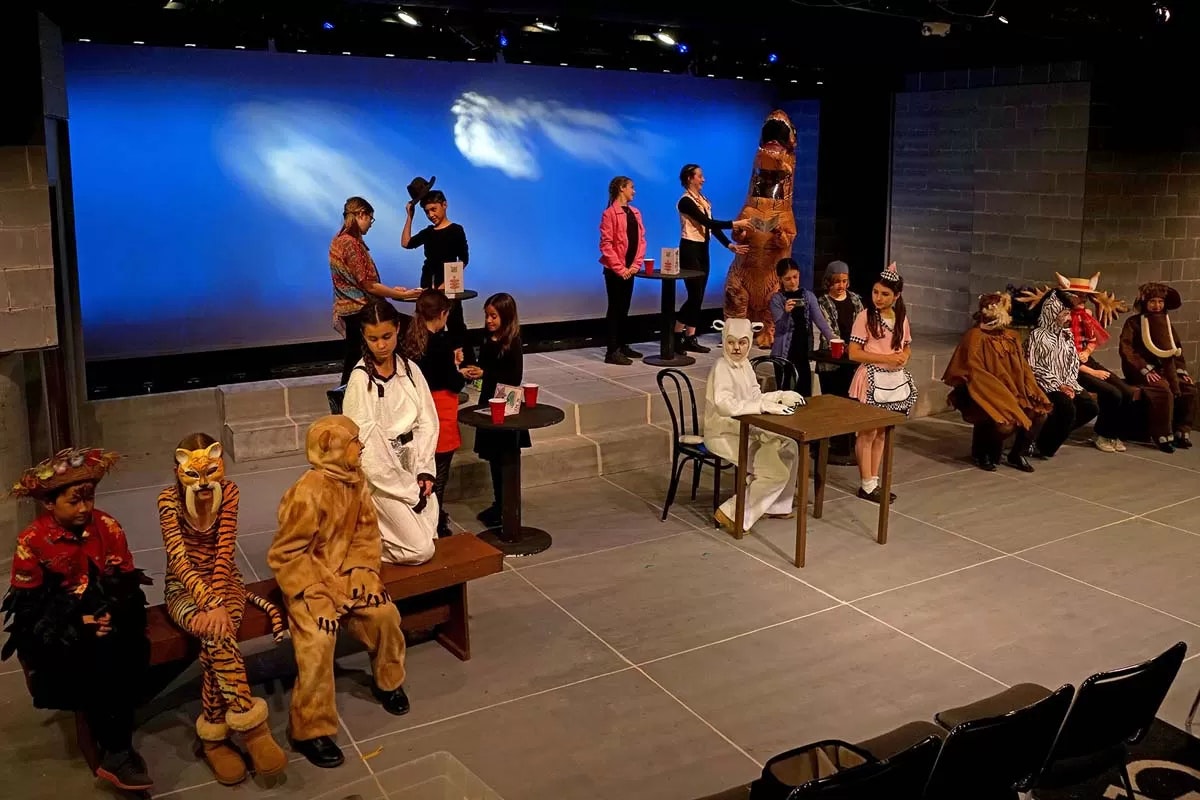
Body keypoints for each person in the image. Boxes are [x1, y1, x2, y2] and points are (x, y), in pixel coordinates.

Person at [2, 448, 153, 792]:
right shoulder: (32, 540)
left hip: (102, 608)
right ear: (49, 504)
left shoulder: (107, 526)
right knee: (91, 656)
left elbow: (124, 581)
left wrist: (112, 611)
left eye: (89, 499)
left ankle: (117, 746)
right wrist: (79, 622)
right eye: (74, 501)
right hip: (58, 623)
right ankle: (118, 750)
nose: (85, 508)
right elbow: (30, 609)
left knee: (122, 645)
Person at [268, 415, 411, 769]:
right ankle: (310, 729)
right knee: (317, 642)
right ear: (329, 448)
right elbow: (286, 554)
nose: (360, 447)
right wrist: (314, 591)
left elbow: (366, 533)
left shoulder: (355, 480)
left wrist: (363, 569)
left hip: (347, 574)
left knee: (384, 614)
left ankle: (388, 681)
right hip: (310, 582)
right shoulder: (308, 491)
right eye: (353, 441)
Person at [158, 434, 288, 785]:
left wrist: (217, 600)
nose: (204, 483)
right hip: (183, 588)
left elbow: (224, 552)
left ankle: (213, 736)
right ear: (178, 470)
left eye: (211, 472)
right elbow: (179, 561)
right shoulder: (168, 500)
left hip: (224, 579)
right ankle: (252, 727)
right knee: (218, 632)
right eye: (193, 475)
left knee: (216, 637)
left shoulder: (229, 492)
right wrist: (209, 604)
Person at [343, 299, 439, 565]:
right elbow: (367, 450)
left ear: (398, 328)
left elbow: (428, 422)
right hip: (381, 481)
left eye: (386, 336)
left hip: (412, 467)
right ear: (363, 335)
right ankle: (361, 550)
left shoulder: (410, 370)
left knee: (430, 534)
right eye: (373, 339)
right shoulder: (360, 380)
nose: (381, 345)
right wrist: (408, 491)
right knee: (420, 550)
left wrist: (423, 470)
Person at [704, 317, 805, 533]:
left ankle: (776, 505)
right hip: (723, 433)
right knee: (775, 473)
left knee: (790, 446)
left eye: (742, 342)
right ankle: (733, 512)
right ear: (724, 340)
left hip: (746, 428)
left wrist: (780, 396)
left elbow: (754, 396)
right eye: (731, 342)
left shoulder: (746, 366)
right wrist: (762, 407)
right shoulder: (722, 367)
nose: (737, 348)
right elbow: (725, 405)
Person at [941, 293, 1050, 473]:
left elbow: (1022, 367)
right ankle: (983, 452)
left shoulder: (1011, 336)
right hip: (984, 392)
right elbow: (975, 373)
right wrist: (1003, 396)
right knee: (1005, 425)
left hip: (1014, 389)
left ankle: (1017, 453)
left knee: (1039, 413)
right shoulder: (975, 337)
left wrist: (1031, 389)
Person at [403, 289, 474, 537]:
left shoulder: (410, 341)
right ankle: (434, 523)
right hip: (439, 412)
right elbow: (453, 383)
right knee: (438, 475)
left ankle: (419, 519)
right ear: (443, 314)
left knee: (419, 472)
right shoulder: (441, 345)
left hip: (416, 414)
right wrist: (457, 368)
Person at [848, 263, 917, 503]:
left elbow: (906, 344)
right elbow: (854, 352)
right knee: (867, 432)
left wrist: (904, 356)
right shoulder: (865, 316)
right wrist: (885, 358)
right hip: (872, 380)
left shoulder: (900, 318)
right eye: (876, 292)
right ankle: (866, 483)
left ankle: (873, 481)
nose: (878, 297)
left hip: (892, 380)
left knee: (881, 434)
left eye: (885, 294)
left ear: (896, 296)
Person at [330, 196, 413, 385]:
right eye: (370, 219)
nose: (370, 224)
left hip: (352, 310)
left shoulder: (339, 240)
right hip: (360, 309)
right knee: (408, 330)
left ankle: (348, 401)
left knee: (355, 357)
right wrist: (400, 295)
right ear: (361, 214)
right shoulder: (349, 243)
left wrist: (391, 290)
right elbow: (368, 284)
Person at [464, 293, 528, 529]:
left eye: (494, 316)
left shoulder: (513, 341)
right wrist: (476, 371)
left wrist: (486, 374)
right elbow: (487, 367)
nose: (489, 320)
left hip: (506, 404)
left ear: (506, 316)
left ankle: (508, 504)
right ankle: (498, 502)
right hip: (488, 400)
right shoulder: (487, 338)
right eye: (487, 315)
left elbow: (513, 377)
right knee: (492, 457)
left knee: (505, 456)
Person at [674, 164, 751, 355]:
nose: (703, 179)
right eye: (700, 176)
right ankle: (676, 335)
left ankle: (690, 336)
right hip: (690, 249)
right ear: (690, 178)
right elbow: (706, 222)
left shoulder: (703, 200)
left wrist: (728, 245)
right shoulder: (685, 201)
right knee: (694, 294)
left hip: (702, 248)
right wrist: (735, 223)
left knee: (699, 295)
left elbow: (712, 227)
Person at [1119, 281, 1197, 452]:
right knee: (1163, 391)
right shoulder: (1134, 323)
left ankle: (1181, 431)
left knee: (1189, 389)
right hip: (1143, 370)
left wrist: (1181, 372)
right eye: (1152, 301)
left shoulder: (1167, 323)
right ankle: (1162, 434)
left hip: (1167, 369)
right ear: (1145, 302)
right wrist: (1145, 369)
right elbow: (1127, 349)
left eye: (1160, 302)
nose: (1157, 305)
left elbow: (1176, 349)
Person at [401, 179, 472, 361]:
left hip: (449, 284)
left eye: (434, 209)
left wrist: (446, 283)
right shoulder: (428, 232)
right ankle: (431, 363)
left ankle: (466, 365)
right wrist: (410, 216)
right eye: (427, 212)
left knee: (456, 325)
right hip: (428, 283)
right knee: (428, 324)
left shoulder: (456, 230)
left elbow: (463, 259)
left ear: (444, 205)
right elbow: (406, 243)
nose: (431, 214)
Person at [1026, 290, 1099, 458]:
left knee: (1090, 407)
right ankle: (1042, 445)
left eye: (1068, 314)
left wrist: (1070, 384)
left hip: (1066, 382)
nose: (1068, 319)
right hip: (1044, 383)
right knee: (1066, 407)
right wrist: (1058, 385)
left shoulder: (1066, 334)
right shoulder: (1038, 336)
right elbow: (1035, 367)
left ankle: (1053, 434)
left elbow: (1071, 362)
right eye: (1064, 314)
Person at [815, 260, 864, 464]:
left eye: (844, 281)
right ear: (829, 282)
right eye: (836, 281)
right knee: (832, 401)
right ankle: (833, 443)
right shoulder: (823, 302)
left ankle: (848, 443)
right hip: (831, 361)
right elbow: (827, 329)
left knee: (849, 401)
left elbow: (862, 324)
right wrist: (841, 345)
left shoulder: (855, 300)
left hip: (851, 360)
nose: (841, 285)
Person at [769, 258, 837, 396]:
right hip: (784, 353)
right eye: (788, 279)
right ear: (780, 279)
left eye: (795, 277)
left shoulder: (808, 296)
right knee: (786, 391)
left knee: (804, 391)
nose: (793, 282)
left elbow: (820, 320)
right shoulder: (777, 299)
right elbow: (780, 328)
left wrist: (832, 338)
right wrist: (786, 313)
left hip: (802, 350)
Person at [598, 175, 646, 365]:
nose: (633, 191)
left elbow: (641, 240)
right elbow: (606, 245)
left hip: (629, 269)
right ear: (621, 188)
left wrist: (635, 265)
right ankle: (612, 350)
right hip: (615, 270)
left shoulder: (635, 212)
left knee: (624, 308)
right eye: (631, 187)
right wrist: (620, 268)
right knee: (615, 309)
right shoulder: (609, 214)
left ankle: (622, 344)